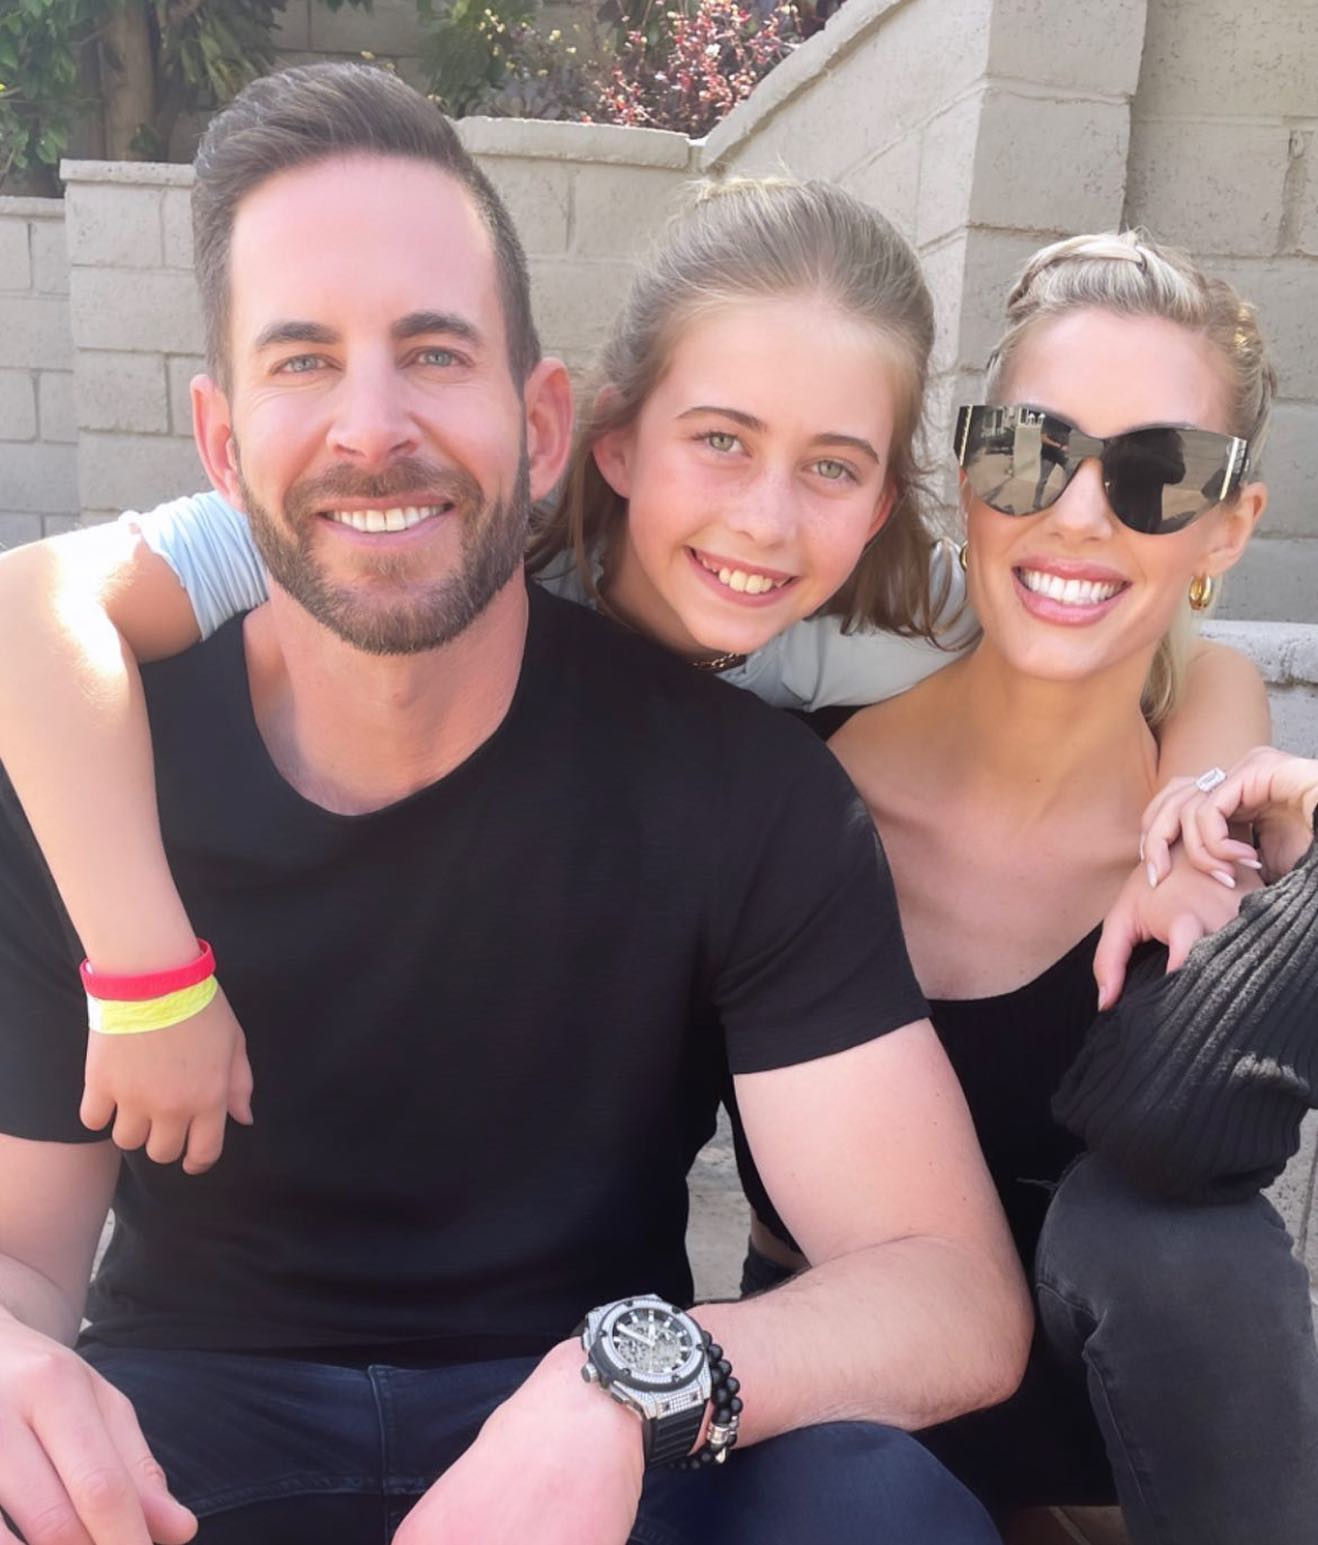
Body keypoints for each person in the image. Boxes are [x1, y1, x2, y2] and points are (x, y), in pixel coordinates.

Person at [0, 60, 1033, 1545]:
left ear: (544, 424)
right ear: (220, 444)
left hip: (589, 1428)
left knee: (880, 1512)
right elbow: (23, 1266)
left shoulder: (749, 790)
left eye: (433, 352)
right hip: (185, 1433)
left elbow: (949, 1290)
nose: (370, 428)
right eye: (302, 361)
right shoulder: (89, 768)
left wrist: (626, 1390)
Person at [0, 182, 1264, 1171]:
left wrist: (1195, 820)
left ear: (882, 498)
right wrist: (148, 980)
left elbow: (1191, 663)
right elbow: (26, 611)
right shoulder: (442, 534)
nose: (766, 522)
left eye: (832, 465)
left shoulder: (894, 606)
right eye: (719, 440)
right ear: (604, 440)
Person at [733, 231, 1318, 1542]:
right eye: (1029, 449)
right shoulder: (781, 789)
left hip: (1129, 1483)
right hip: (838, 1454)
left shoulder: (1216, 846)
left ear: (1228, 524)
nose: (1078, 513)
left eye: (1157, 473)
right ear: (965, 475)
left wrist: (1292, 901)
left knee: (1175, 1238)